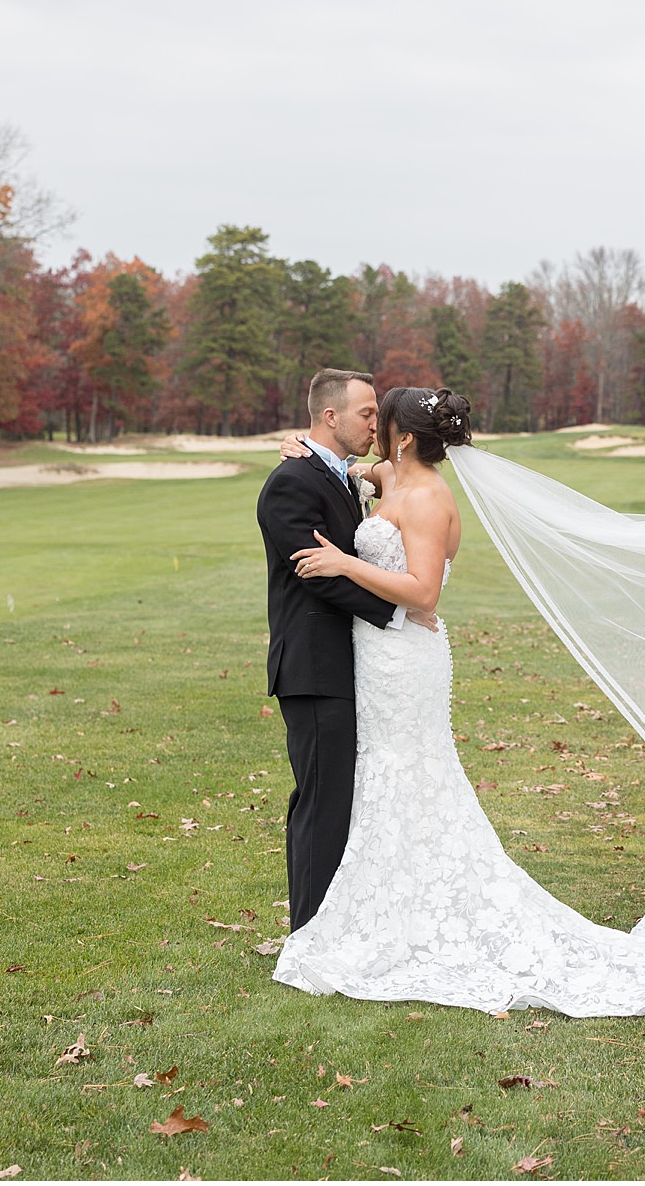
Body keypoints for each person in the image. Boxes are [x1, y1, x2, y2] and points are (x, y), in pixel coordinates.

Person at [268, 386, 645, 1017]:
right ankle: (382, 910)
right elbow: (351, 470)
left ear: (404, 437)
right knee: (382, 777)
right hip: (378, 660)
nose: (373, 431)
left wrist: (344, 564)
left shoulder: (428, 497)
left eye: (380, 421)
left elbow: (424, 593)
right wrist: (309, 449)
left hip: (406, 659)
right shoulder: (391, 478)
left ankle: (403, 920)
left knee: (410, 772)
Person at [255, 369, 428, 934]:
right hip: (314, 666)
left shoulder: (341, 472)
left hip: (351, 663)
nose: (376, 423)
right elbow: (317, 574)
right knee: (322, 803)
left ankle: (339, 926)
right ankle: (309, 937)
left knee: (344, 800)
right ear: (330, 417)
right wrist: (398, 612)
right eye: (366, 413)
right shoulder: (291, 482)